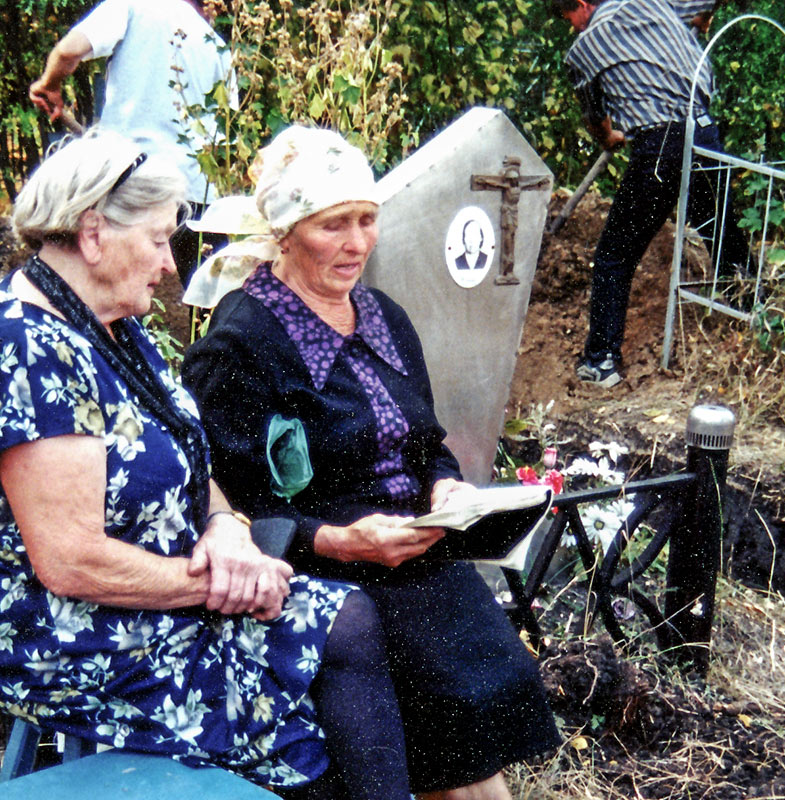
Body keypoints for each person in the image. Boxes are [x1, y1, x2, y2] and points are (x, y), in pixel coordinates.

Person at [0, 131, 412, 799]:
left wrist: (227, 533)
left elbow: (186, 457)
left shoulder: (112, 325)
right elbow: (70, 561)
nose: (168, 266)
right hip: (61, 631)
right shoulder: (25, 351)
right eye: (159, 240)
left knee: (349, 620)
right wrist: (217, 585)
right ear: (94, 233)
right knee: (300, 740)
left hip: (161, 588)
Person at [181, 127, 560, 800]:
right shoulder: (240, 345)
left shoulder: (381, 316)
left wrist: (444, 482)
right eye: (334, 226)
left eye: (367, 220)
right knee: (449, 718)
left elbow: (426, 440)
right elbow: (231, 514)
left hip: (410, 549)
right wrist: (343, 543)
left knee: (483, 699)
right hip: (328, 573)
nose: (358, 244)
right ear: (287, 232)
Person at [554, 0, 751, 388]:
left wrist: (610, 136)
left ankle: (601, 363)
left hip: (662, 144)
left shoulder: (585, 47)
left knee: (615, 254)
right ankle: (760, 323)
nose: (573, 29)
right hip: (705, 131)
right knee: (721, 232)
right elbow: (703, 5)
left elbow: (597, 119)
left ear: (581, 5)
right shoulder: (650, 1)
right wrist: (701, 20)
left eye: (570, 19)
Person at [29, 0, 235, 285]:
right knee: (210, 301)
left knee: (114, 289)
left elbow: (68, 50)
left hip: (134, 182)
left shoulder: (134, 5)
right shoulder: (216, 45)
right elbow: (226, 126)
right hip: (199, 190)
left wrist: (49, 84)